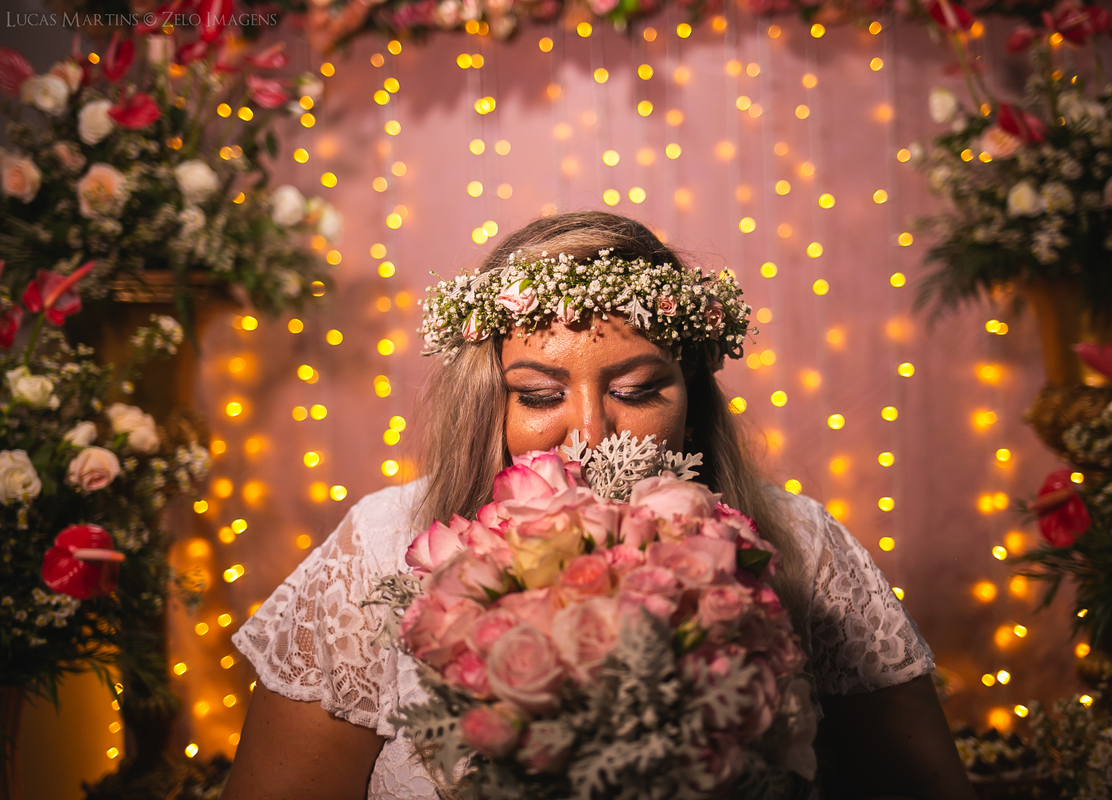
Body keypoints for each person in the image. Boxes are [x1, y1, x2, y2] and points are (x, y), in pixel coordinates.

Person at [222, 212, 974, 800]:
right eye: (541, 396)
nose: (588, 434)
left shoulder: (802, 544)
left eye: (638, 390)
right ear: (489, 402)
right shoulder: (385, 544)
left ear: (693, 393)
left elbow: (918, 789)